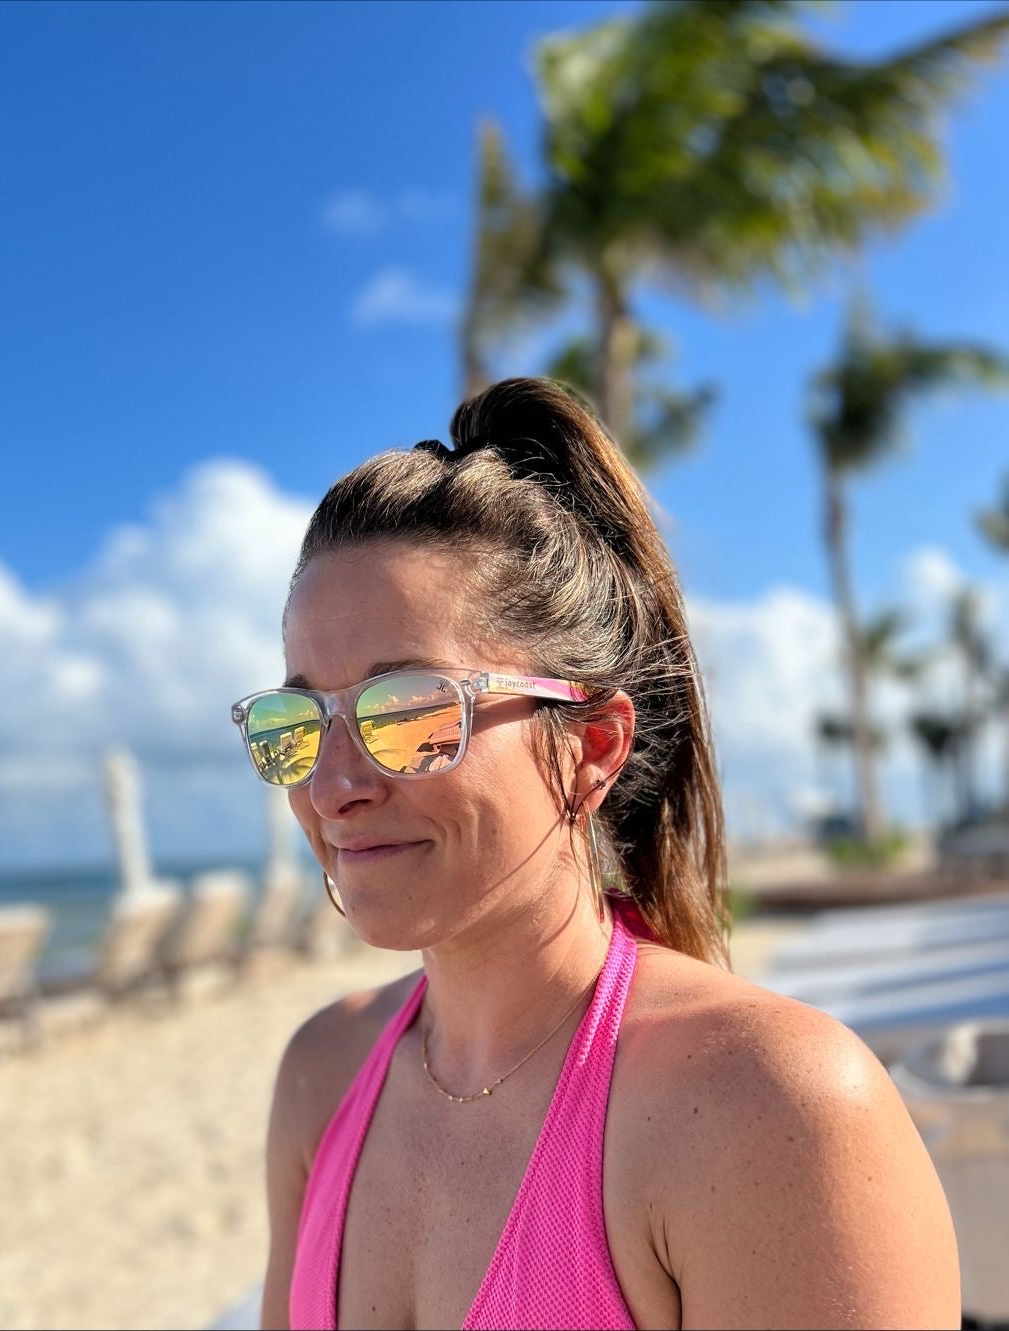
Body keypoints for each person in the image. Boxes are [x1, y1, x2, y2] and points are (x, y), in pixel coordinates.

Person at [231, 378, 959, 1330]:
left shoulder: (768, 1115)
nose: (333, 787)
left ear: (593, 746)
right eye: (297, 722)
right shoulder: (321, 1078)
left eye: (407, 711)